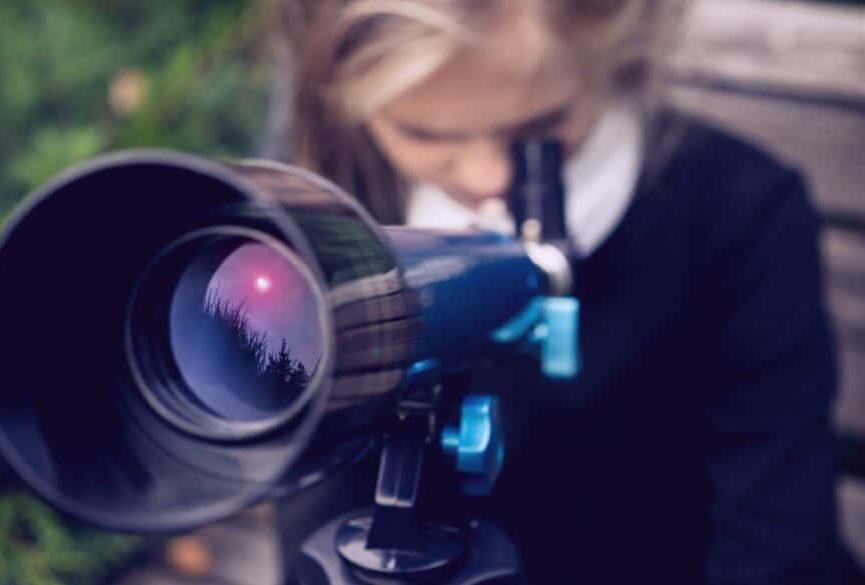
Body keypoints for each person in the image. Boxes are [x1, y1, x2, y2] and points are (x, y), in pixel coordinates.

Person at [269, 0, 840, 583]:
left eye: (539, 129)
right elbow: (316, 499)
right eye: (424, 132)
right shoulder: (340, 203)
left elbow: (777, 538)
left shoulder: (739, 214)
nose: (485, 177)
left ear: (613, 49)